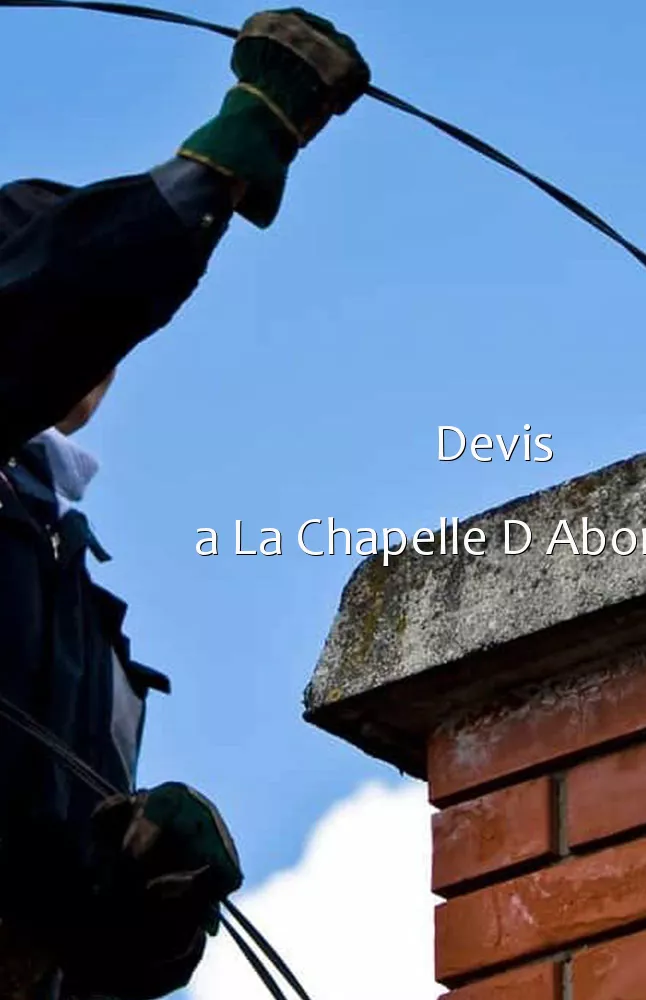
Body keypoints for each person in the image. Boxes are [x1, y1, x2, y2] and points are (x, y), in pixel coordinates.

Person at [0, 8, 371, 998]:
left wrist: (158, 895)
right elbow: (50, 302)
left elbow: (97, 964)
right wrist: (225, 159)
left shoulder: (81, 614)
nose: (101, 358)